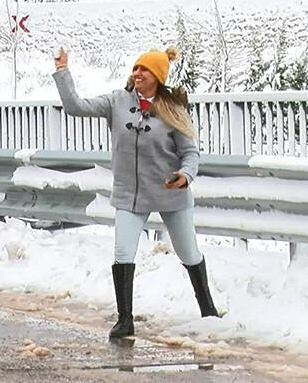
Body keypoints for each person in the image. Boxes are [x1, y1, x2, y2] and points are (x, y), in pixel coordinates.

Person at [52, 46, 219, 339]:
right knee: (122, 252)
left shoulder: (173, 109)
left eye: (144, 69)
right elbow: (75, 106)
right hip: (129, 194)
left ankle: (209, 311)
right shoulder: (117, 101)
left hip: (170, 192)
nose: (137, 73)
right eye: (136, 68)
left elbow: (190, 153)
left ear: (157, 76)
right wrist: (63, 71)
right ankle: (125, 320)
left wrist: (185, 175)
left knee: (188, 252)